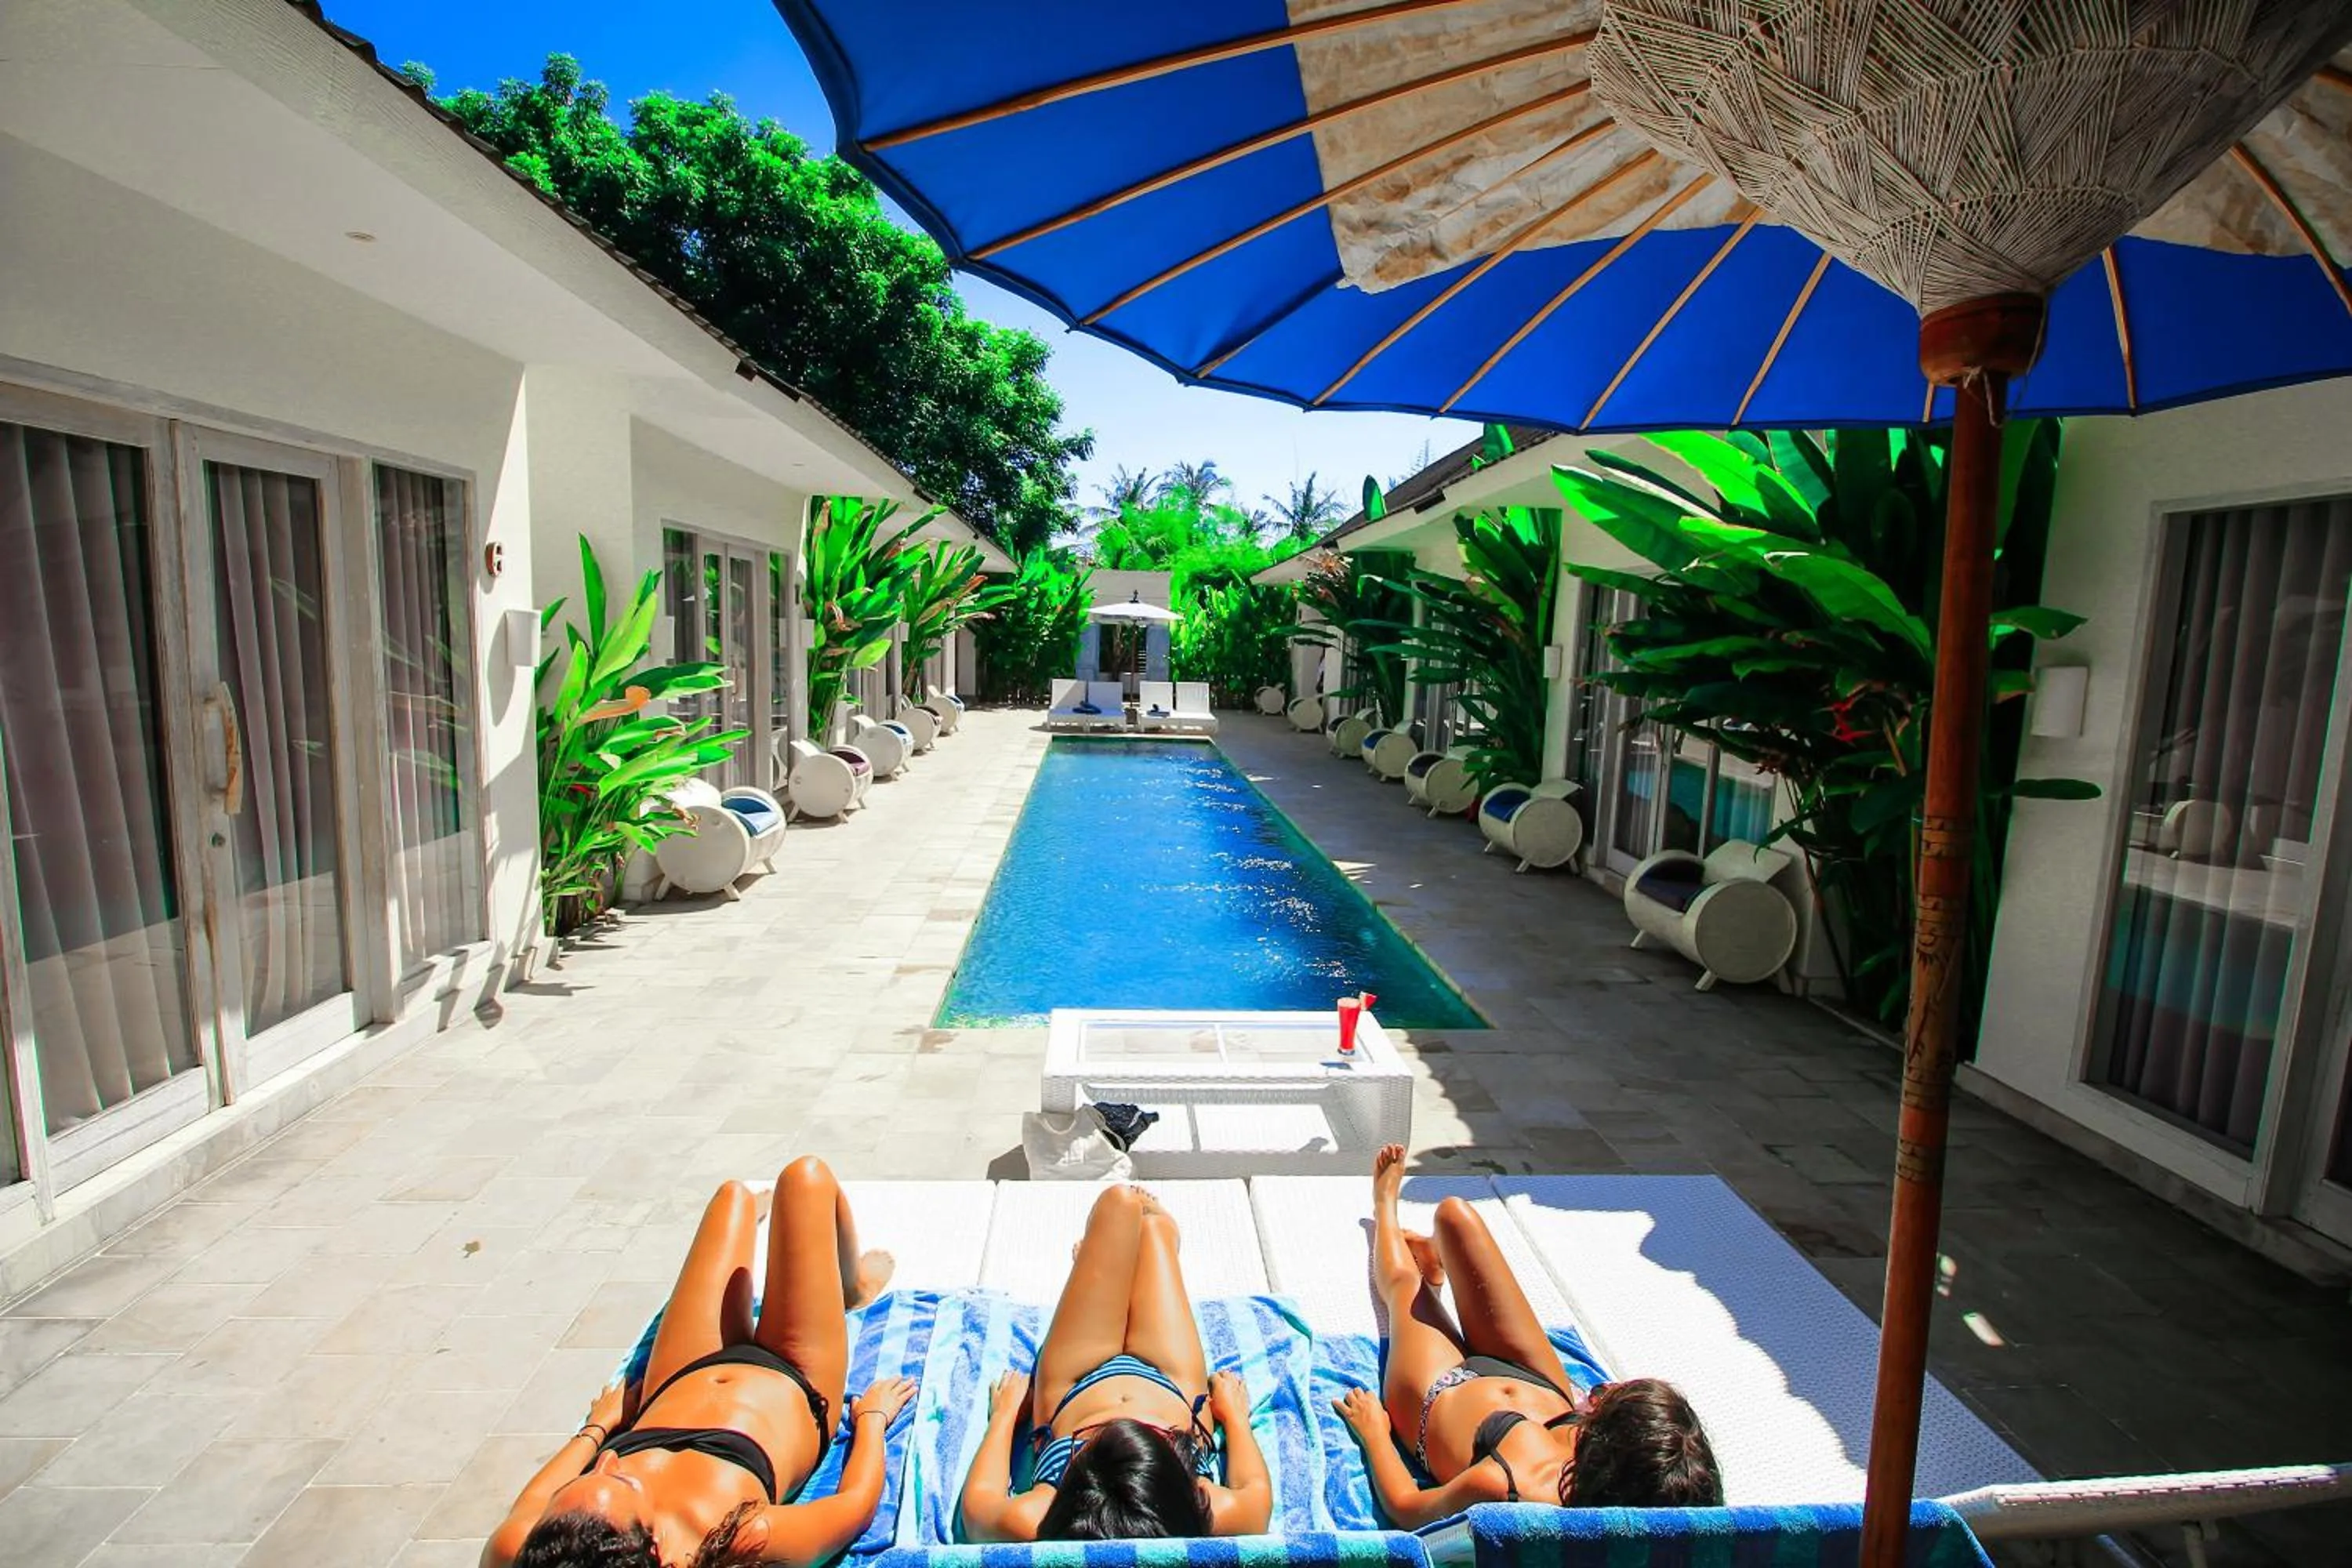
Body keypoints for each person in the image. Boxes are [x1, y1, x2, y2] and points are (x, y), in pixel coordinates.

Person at [483, 1156, 912, 1568]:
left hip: (680, 1377)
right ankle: (852, 1288)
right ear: (655, 1550)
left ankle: (753, 1219)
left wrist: (595, 1431)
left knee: (731, 1197)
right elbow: (852, 1506)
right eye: (621, 1480)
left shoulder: (524, 1551)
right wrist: (872, 1420)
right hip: (797, 1377)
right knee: (806, 1178)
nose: (611, 1461)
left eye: (588, 1476)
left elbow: (531, 1505)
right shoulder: (738, 1538)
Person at [1332, 1144, 1721, 1526]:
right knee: (1456, 1217)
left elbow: (1408, 1507)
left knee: (1405, 1288)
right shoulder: (1654, 1480)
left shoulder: (1510, 1484)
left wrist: (1375, 1433)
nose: (1599, 1391)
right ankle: (1435, 1260)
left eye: (1602, 1402)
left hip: (1439, 1394)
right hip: (1536, 1384)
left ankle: (1384, 1208)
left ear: (1603, 1450)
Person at [960, 1185, 1272, 1541]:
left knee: (1119, 1203)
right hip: (1169, 1380)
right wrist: (1235, 1418)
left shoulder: (1043, 1517)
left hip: (1076, 1380)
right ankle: (1152, 1245)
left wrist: (1003, 1417)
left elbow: (979, 1512)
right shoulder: (1204, 1511)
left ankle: (1104, 1268)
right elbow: (1255, 1494)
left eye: (1091, 1441)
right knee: (1155, 1230)